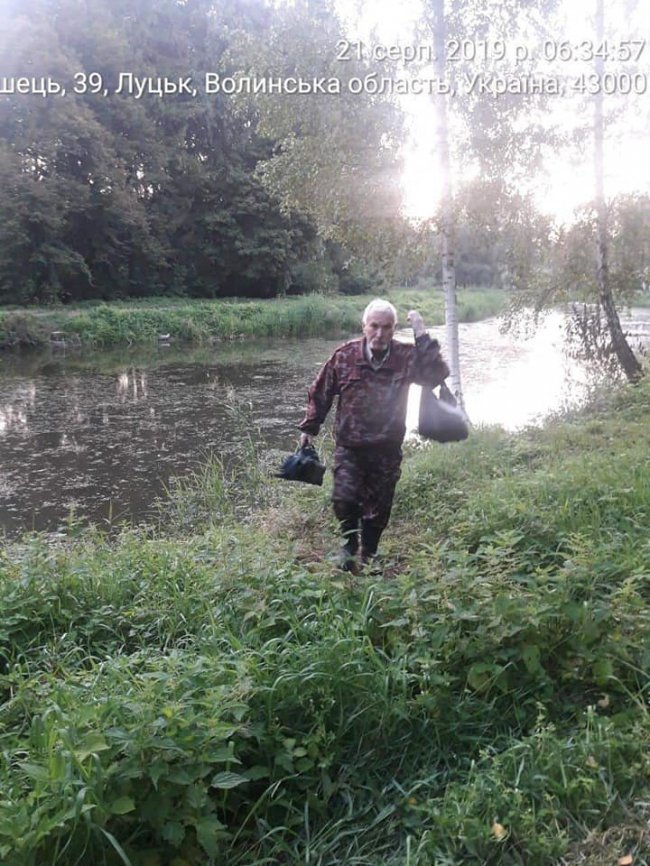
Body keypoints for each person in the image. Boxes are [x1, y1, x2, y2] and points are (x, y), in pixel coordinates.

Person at [297, 298, 450, 570]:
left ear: (394, 329)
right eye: (374, 326)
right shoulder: (344, 356)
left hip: (386, 448)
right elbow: (321, 391)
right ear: (364, 326)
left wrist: (422, 334)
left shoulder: (406, 357)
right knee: (344, 498)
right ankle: (348, 547)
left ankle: (368, 554)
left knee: (378, 508)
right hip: (349, 446)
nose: (380, 334)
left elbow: (437, 375)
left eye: (387, 327)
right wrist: (310, 427)